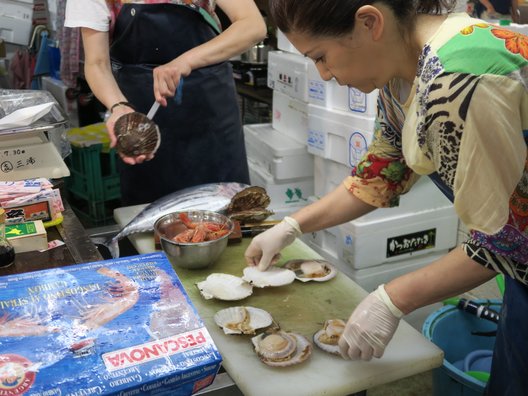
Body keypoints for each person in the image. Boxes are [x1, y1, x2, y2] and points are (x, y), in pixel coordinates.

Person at [244, 1, 528, 394]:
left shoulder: (456, 79)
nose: (324, 76)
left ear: (369, 22)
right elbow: (381, 173)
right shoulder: (400, 77)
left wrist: (392, 299)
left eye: (322, 57)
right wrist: (292, 226)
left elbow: (507, 240)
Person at [65, 0, 266, 205]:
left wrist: (185, 61)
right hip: (141, 110)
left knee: (228, 209)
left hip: (210, 107)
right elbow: (97, 63)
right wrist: (119, 107)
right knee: (153, 216)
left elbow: (253, 26)